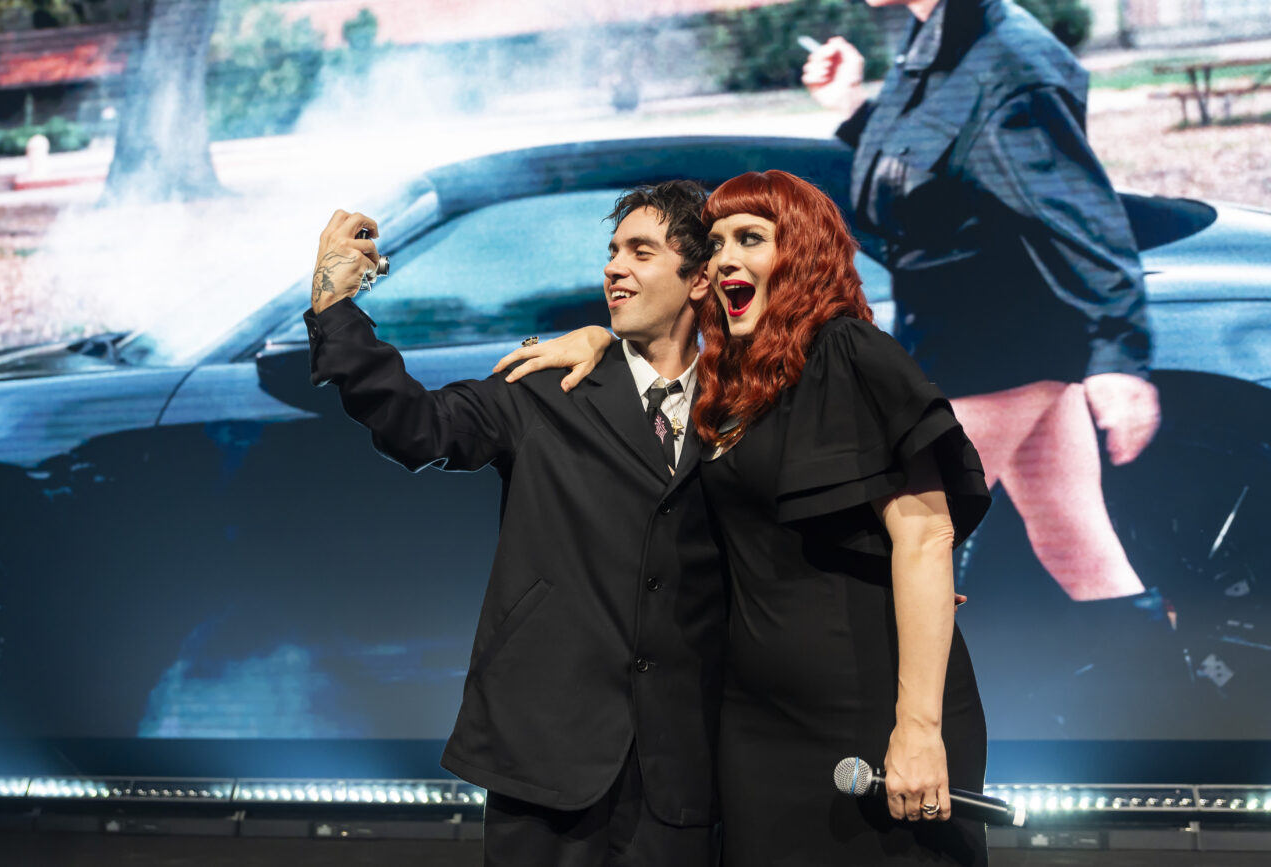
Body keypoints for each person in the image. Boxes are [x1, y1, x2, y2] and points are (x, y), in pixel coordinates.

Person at [510, 170, 992, 865]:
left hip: (869, 713)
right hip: (756, 726)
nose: (727, 257)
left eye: (751, 238)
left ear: (803, 253)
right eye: (715, 244)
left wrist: (917, 728)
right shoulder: (729, 383)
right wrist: (599, 339)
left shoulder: (847, 351)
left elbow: (925, 533)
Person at [304, 181, 726, 867]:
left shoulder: (741, 405)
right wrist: (336, 307)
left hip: (681, 771)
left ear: (700, 278)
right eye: (612, 250)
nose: (614, 267)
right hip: (547, 755)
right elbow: (416, 426)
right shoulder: (546, 388)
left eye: (640, 251)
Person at [803, 0, 1161, 603]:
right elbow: (935, 180)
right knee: (1077, 548)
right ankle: (1166, 693)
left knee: (878, 557)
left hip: (993, 348)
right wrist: (851, 107)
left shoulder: (1009, 56)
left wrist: (1120, 356)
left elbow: (1082, 217)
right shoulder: (940, 42)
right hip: (978, 341)